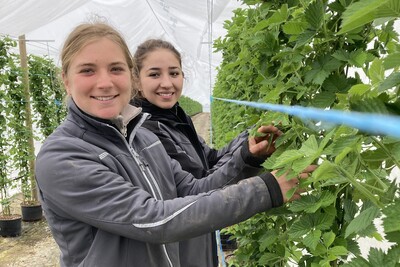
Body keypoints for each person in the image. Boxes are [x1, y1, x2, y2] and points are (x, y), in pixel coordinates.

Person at [35, 21, 315, 267]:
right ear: (66, 80)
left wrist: (249, 158)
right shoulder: (62, 157)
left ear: (129, 77)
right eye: (87, 70)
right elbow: (154, 219)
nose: (105, 82)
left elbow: (195, 188)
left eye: (115, 68)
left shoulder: (143, 138)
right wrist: (266, 190)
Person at [131, 39, 278, 266]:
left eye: (174, 73)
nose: (167, 83)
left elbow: (209, 159)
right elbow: (198, 188)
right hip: (182, 247)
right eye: (154, 75)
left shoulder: (176, 118)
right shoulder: (147, 131)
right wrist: (251, 162)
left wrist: (249, 141)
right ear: (137, 81)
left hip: (200, 238)